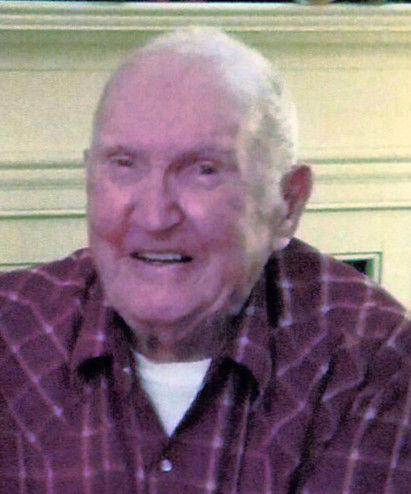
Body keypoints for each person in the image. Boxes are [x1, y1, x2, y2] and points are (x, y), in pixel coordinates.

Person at [0, 28, 409, 494]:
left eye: (204, 170)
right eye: (124, 164)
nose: (155, 216)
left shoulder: (369, 358)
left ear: (287, 204)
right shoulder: (13, 331)